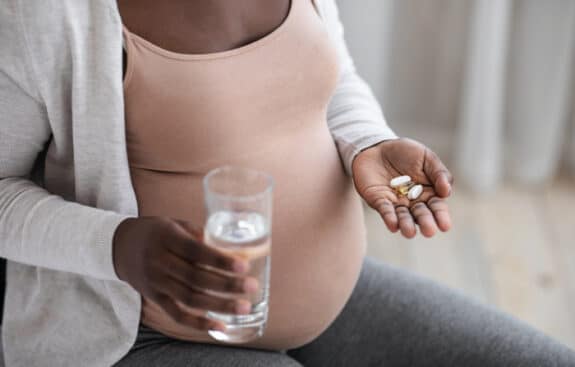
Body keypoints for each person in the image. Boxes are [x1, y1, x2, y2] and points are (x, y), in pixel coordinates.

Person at [0, 0, 573, 366]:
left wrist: (367, 142)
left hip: (338, 302)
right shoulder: (46, 16)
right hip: (140, 334)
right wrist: (120, 246)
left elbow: (331, 73)